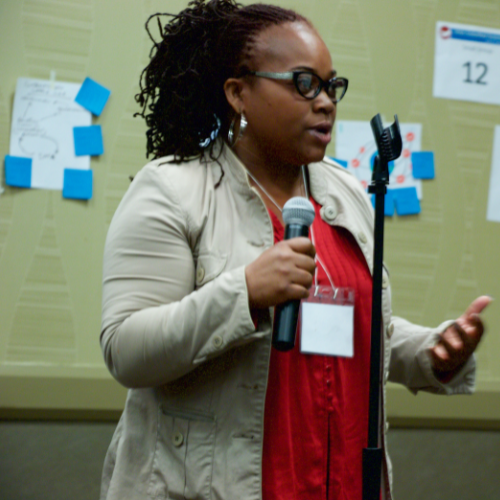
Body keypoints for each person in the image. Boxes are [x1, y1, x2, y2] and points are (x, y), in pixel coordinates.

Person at [99, 1, 491, 499]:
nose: (325, 101)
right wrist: (244, 293)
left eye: (332, 86)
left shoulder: (345, 194)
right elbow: (126, 351)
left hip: (341, 478)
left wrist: (431, 353)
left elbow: (341, 329)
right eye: (304, 83)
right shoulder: (173, 189)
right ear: (239, 93)